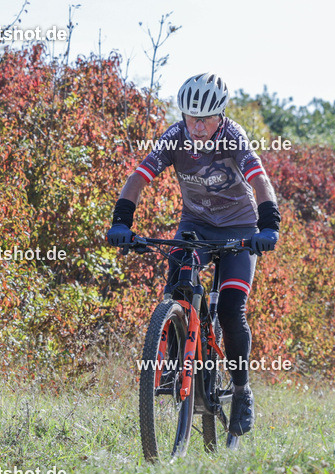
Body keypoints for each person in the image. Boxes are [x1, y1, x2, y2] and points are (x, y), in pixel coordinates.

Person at [107, 73, 281, 435]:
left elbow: (260, 180)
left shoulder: (233, 137)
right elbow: (139, 177)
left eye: (205, 119)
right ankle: (175, 357)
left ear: (220, 115)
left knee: (233, 308)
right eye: (191, 118)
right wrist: (122, 223)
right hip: (196, 226)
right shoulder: (174, 137)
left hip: (240, 228)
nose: (198, 127)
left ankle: (241, 389)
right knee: (178, 287)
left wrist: (269, 227)